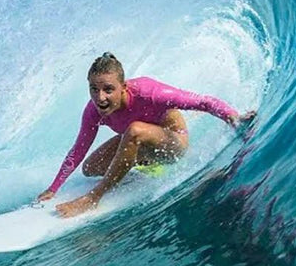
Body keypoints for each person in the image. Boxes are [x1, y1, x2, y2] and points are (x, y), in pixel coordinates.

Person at [38, 52, 255, 218]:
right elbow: (78, 150)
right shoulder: (93, 111)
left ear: (123, 87)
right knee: (90, 168)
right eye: (94, 89)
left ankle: (94, 197)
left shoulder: (149, 93)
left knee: (134, 130)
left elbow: (203, 102)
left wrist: (234, 118)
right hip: (139, 144)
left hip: (173, 142)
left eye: (108, 89)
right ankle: (142, 170)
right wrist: (53, 188)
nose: (100, 97)